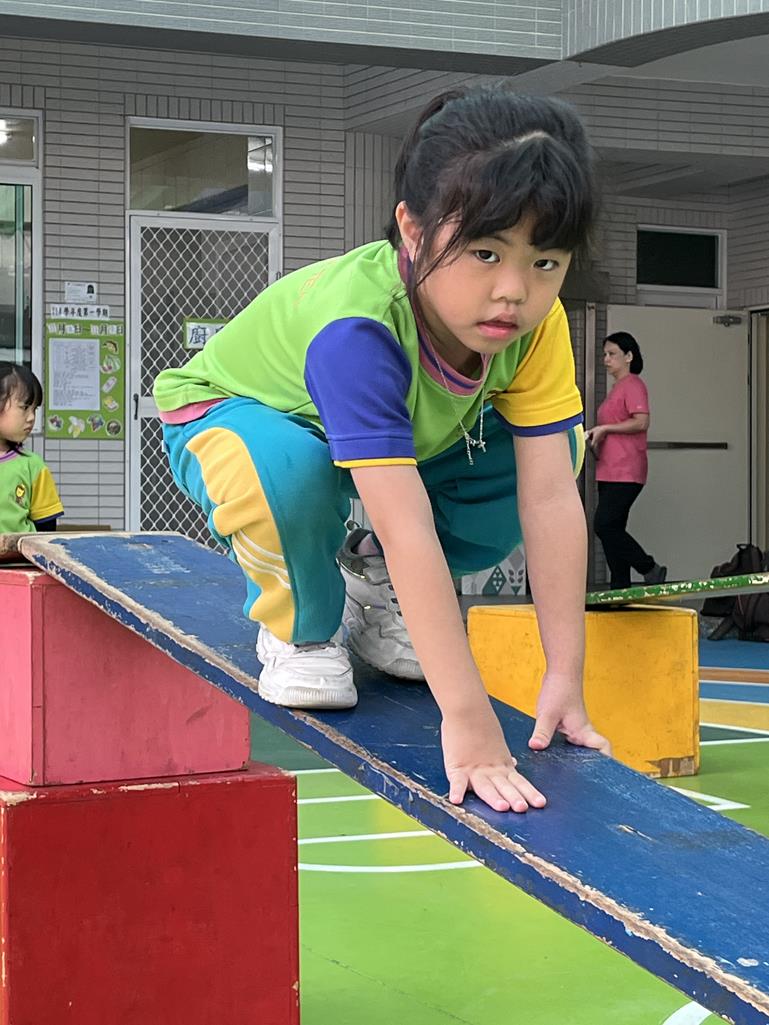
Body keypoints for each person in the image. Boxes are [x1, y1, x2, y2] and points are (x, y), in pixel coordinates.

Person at [154, 85, 610, 814]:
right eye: (484, 252)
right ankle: (302, 628)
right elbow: (406, 524)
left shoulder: (532, 325)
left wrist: (565, 672)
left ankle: (376, 584)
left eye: (545, 262)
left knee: (556, 450)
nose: (513, 291)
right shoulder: (359, 329)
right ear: (412, 229)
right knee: (291, 472)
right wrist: (467, 719)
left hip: (399, 447)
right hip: (246, 417)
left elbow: (551, 498)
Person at [586, 332, 666, 590]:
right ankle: (619, 587)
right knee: (613, 529)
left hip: (626, 470)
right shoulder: (617, 388)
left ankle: (648, 567)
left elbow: (641, 422)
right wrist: (597, 438)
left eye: (612, 354)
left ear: (629, 356)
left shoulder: (633, 385)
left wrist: (605, 428)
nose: (606, 359)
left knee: (604, 525)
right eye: (605, 354)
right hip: (609, 469)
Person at [0, 362, 64, 533]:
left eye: (34, 409)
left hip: (20, 551)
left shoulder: (33, 466)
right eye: (24, 407)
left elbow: (46, 528)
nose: (31, 418)